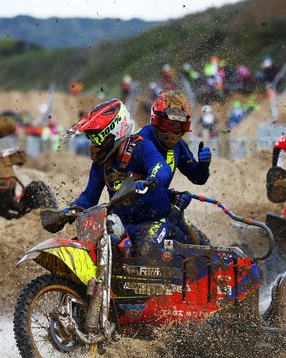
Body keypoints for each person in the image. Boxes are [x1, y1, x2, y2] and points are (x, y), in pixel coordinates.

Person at [56, 99, 172, 256]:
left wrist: (150, 181)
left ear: (113, 131)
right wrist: (69, 211)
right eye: (91, 140)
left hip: (152, 222)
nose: (94, 146)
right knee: (95, 250)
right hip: (120, 224)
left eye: (97, 139)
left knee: (144, 255)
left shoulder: (140, 146)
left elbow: (162, 168)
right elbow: (89, 196)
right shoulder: (102, 163)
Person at [136, 90, 212, 244]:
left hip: (164, 209)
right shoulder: (140, 141)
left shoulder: (179, 146)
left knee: (201, 243)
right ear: (156, 120)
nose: (171, 132)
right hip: (136, 214)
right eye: (167, 124)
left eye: (177, 126)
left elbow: (198, 178)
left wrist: (204, 165)